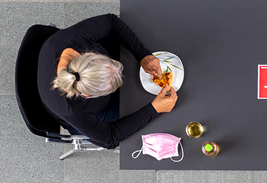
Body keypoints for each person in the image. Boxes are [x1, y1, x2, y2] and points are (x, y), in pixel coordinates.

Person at [38, 14, 177, 149]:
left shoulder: (72, 39)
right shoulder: (73, 110)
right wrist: (153, 110)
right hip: (90, 113)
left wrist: (143, 55)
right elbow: (109, 139)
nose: (123, 76)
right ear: (87, 95)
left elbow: (111, 21)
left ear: (88, 54)